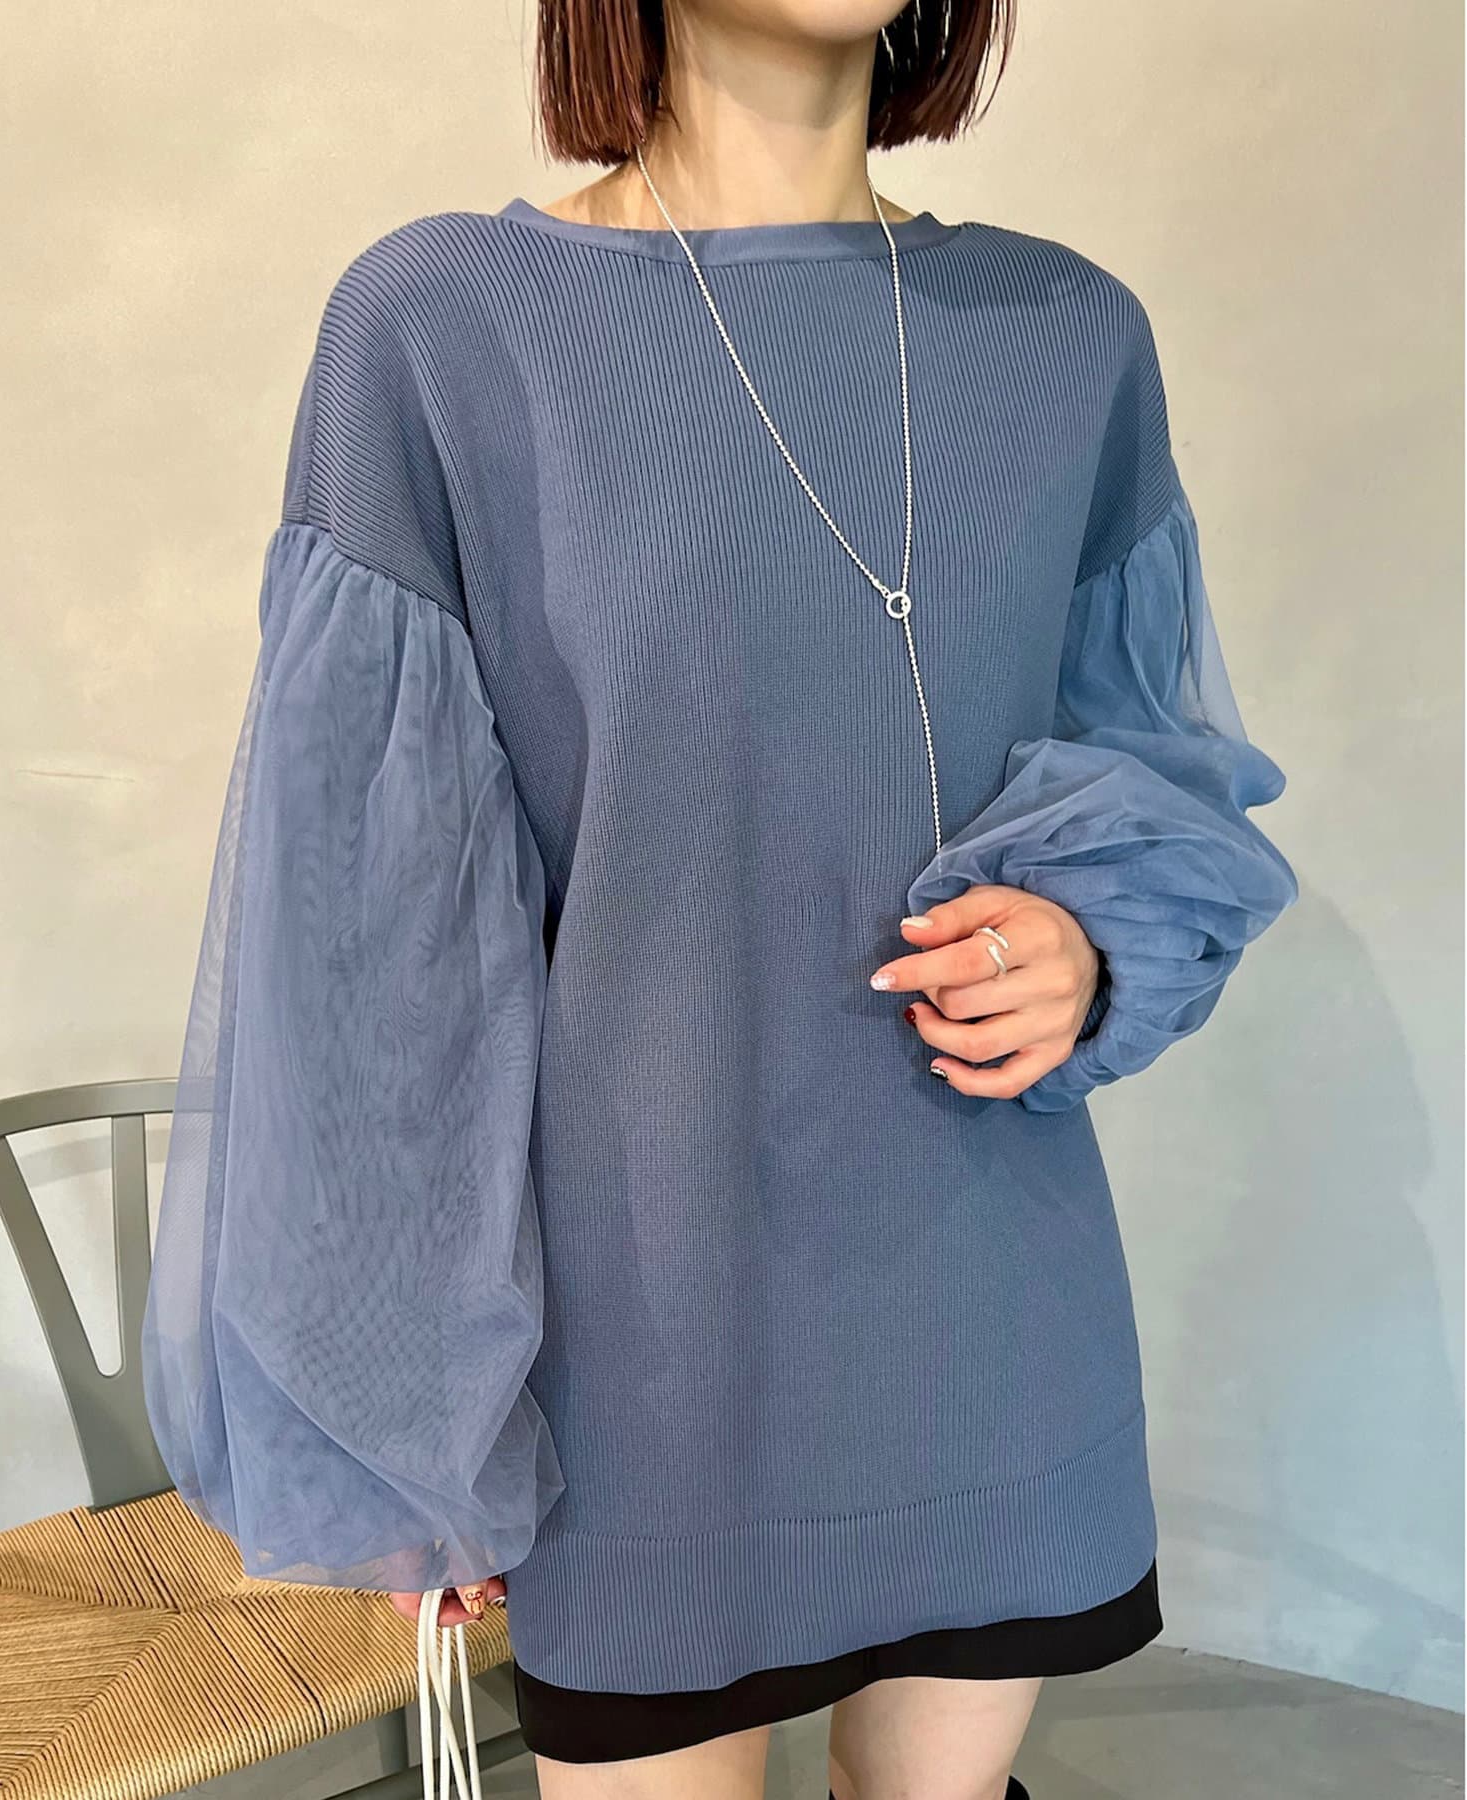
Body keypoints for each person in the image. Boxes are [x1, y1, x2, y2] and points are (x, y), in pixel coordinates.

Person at [140, 0, 1301, 1795]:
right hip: (646, 1350)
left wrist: (1089, 939)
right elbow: (366, 947)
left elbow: (1151, 753)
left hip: (993, 1319)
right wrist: (409, 1414)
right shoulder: (444, 324)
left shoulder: (1069, 334)